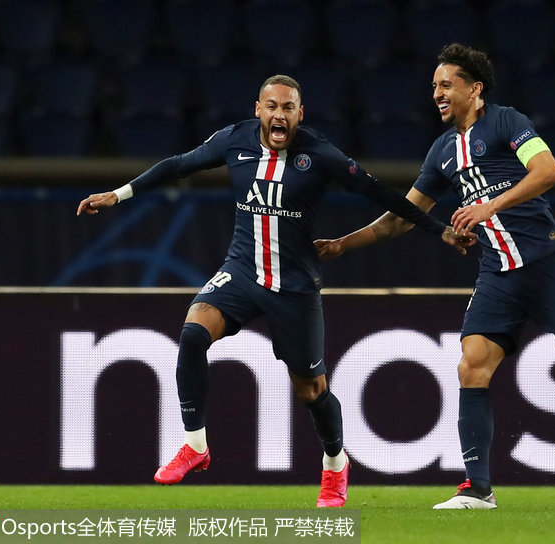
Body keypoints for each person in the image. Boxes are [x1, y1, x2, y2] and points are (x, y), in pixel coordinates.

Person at [314, 44, 555, 510]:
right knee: (471, 365)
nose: (437, 93)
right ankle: (478, 489)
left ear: (475, 89)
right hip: (497, 271)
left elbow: (549, 171)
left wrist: (490, 206)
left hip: (546, 261)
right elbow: (402, 217)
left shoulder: (507, 122)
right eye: (434, 86)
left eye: (447, 85)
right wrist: (343, 244)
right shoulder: (442, 151)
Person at [77, 74, 470, 507]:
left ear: (300, 114)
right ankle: (195, 445)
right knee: (192, 333)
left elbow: (380, 194)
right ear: (258, 110)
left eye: (287, 108)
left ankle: (335, 465)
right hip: (242, 272)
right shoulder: (235, 140)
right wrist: (118, 194)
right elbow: (178, 165)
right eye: (271, 106)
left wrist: (439, 229)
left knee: (312, 391)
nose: (278, 115)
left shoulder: (320, 154)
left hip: (294, 286)